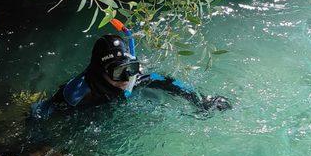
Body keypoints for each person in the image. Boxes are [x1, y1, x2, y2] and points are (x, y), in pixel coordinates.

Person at [30, 30, 231, 119]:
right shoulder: (76, 95)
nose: (127, 79)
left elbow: (169, 83)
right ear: (101, 71)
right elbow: (39, 113)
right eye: (119, 72)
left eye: (130, 68)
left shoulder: (132, 78)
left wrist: (201, 100)